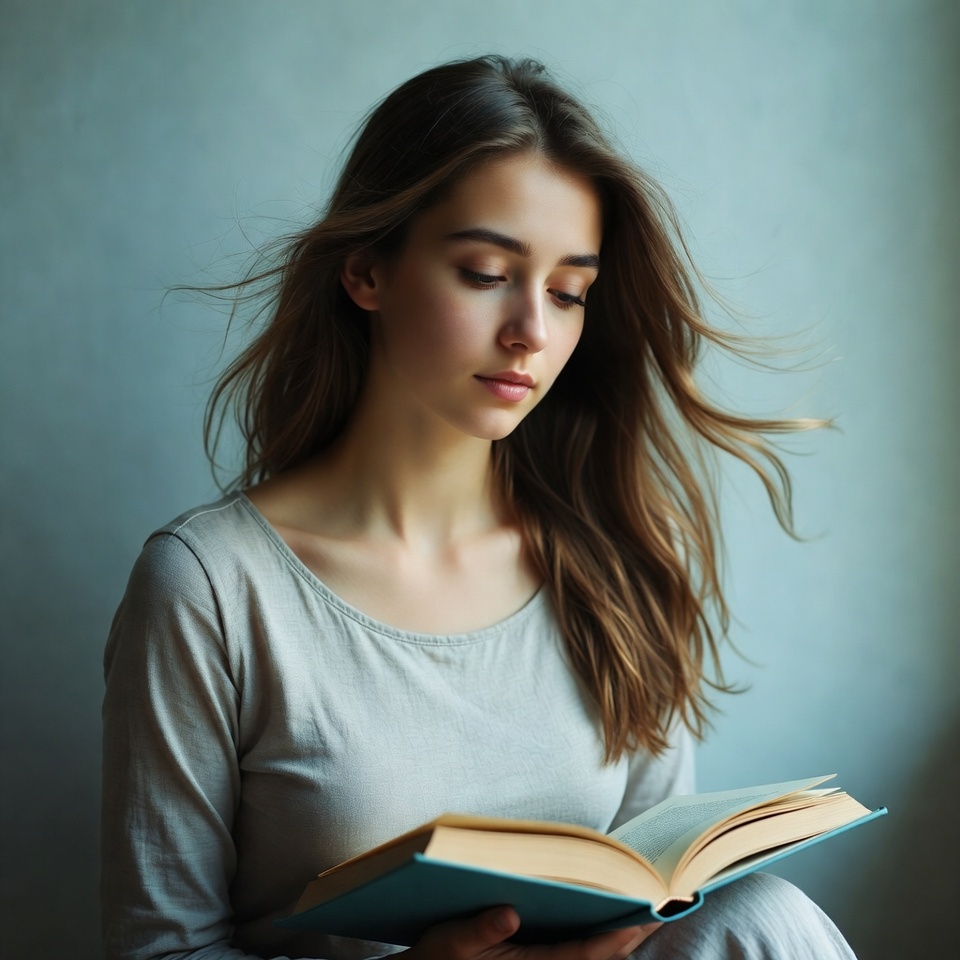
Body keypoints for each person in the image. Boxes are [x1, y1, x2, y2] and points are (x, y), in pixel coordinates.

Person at [101, 56, 858, 960]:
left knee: (763, 917)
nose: (533, 332)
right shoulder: (211, 588)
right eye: (486, 271)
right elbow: (159, 949)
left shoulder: (609, 562)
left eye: (569, 292)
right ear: (366, 273)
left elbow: (658, 890)